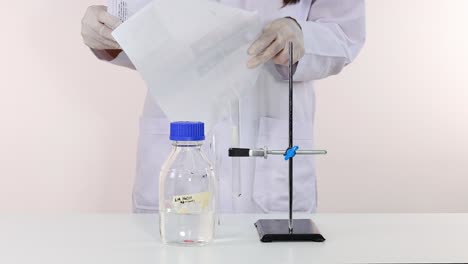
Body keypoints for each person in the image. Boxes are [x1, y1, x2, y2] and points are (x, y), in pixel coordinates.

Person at [81, 0, 366, 213]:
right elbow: (137, 29)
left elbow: (345, 33)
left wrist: (300, 34)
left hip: (271, 163)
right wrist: (105, 32)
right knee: (175, 240)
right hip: (180, 140)